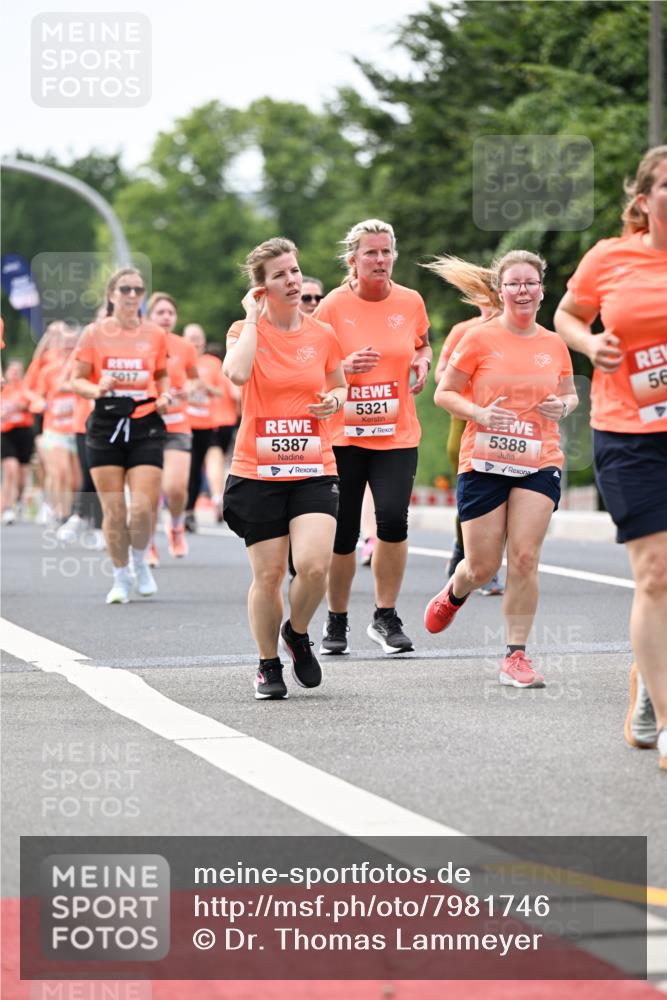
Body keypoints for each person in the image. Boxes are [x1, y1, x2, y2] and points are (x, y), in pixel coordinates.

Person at [554, 146, 667, 770]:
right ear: (644, 200)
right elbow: (567, 313)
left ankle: (651, 679)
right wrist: (590, 343)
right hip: (629, 433)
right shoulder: (611, 257)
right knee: (655, 572)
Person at [423, 251, 577, 689]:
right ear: (501, 290)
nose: (523, 290)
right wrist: (480, 413)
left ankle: (516, 656)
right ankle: (456, 590)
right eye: (513, 284)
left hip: (538, 460)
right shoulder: (477, 338)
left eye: (530, 283)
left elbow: (570, 396)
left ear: (542, 290)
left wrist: (561, 406)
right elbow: (445, 393)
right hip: (485, 461)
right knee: (482, 566)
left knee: (525, 558)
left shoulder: (553, 343)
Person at [222, 237, 346, 700]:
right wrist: (253, 319)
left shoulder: (323, 335)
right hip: (258, 470)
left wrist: (334, 401)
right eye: (280, 275)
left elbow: (339, 385)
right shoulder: (243, 330)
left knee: (314, 567)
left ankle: (296, 632)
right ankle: (267, 664)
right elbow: (236, 375)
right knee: (269, 576)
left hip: (314, 464)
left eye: (294, 271)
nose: (292, 281)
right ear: (261, 288)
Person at [315, 220, 431, 655]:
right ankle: (337, 619)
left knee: (392, 521)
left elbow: (421, 344)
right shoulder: (331, 306)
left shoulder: (410, 301)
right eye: (371, 253)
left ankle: (385, 616)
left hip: (396, 435)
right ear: (353, 259)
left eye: (386, 252)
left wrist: (422, 363)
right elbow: (314, 366)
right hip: (344, 435)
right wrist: (345, 368)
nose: (380, 260)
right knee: (343, 534)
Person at [72, 267, 171, 604]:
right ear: (111, 295)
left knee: (142, 508)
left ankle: (140, 561)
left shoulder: (155, 334)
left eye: (138, 290)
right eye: (125, 289)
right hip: (105, 424)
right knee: (113, 510)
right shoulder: (93, 334)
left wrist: (166, 395)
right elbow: (76, 379)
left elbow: (162, 375)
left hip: (145, 423)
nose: (132, 295)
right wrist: (96, 387)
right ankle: (120, 577)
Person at [429, 287, 504, 595]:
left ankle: (487, 565)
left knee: (504, 492)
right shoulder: (464, 331)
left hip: (505, 420)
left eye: (494, 301)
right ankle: (465, 552)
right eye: (484, 302)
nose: (489, 307)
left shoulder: (513, 331)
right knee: (472, 489)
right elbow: (440, 376)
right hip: (467, 417)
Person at [146, 292, 199, 560]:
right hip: (147, 424)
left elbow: (193, 379)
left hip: (178, 423)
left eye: (170, 312)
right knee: (151, 490)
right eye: (160, 312)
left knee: (176, 487)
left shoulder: (184, 346)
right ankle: (149, 542)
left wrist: (187, 389)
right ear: (149, 316)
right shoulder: (140, 344)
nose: (166, 317)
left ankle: (176, 527)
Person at [183, 323, 226, 531]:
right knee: (188, 469)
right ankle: (187, 511)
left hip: (206, 424)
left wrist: (204, 386)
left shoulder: (212, 363)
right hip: (183, 424)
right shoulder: (178, 360)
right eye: (191, 337)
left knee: (198, 466)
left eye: (198, 337)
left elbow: (220, 392)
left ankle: (189, 512)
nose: (195, 341)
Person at [204, 341, 241, 523]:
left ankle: (217, 496)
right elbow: (236, 395)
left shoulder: (209, 370)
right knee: (227, 459)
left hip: (212, 420)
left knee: (214, 459)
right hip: (229, 420)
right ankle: (222, 495)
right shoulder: (227, 369)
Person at [1, 359, 34, 523]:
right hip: (6, 433)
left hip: (24, 432)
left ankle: (19, 500)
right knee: (10, 470)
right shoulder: (2, 389)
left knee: (22, 475)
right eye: (12, 371)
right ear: (6, 372)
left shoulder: (26, 388)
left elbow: (31, 403)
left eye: (18, 372)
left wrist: (20, 405)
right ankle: (6, 507)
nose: (14, 375)